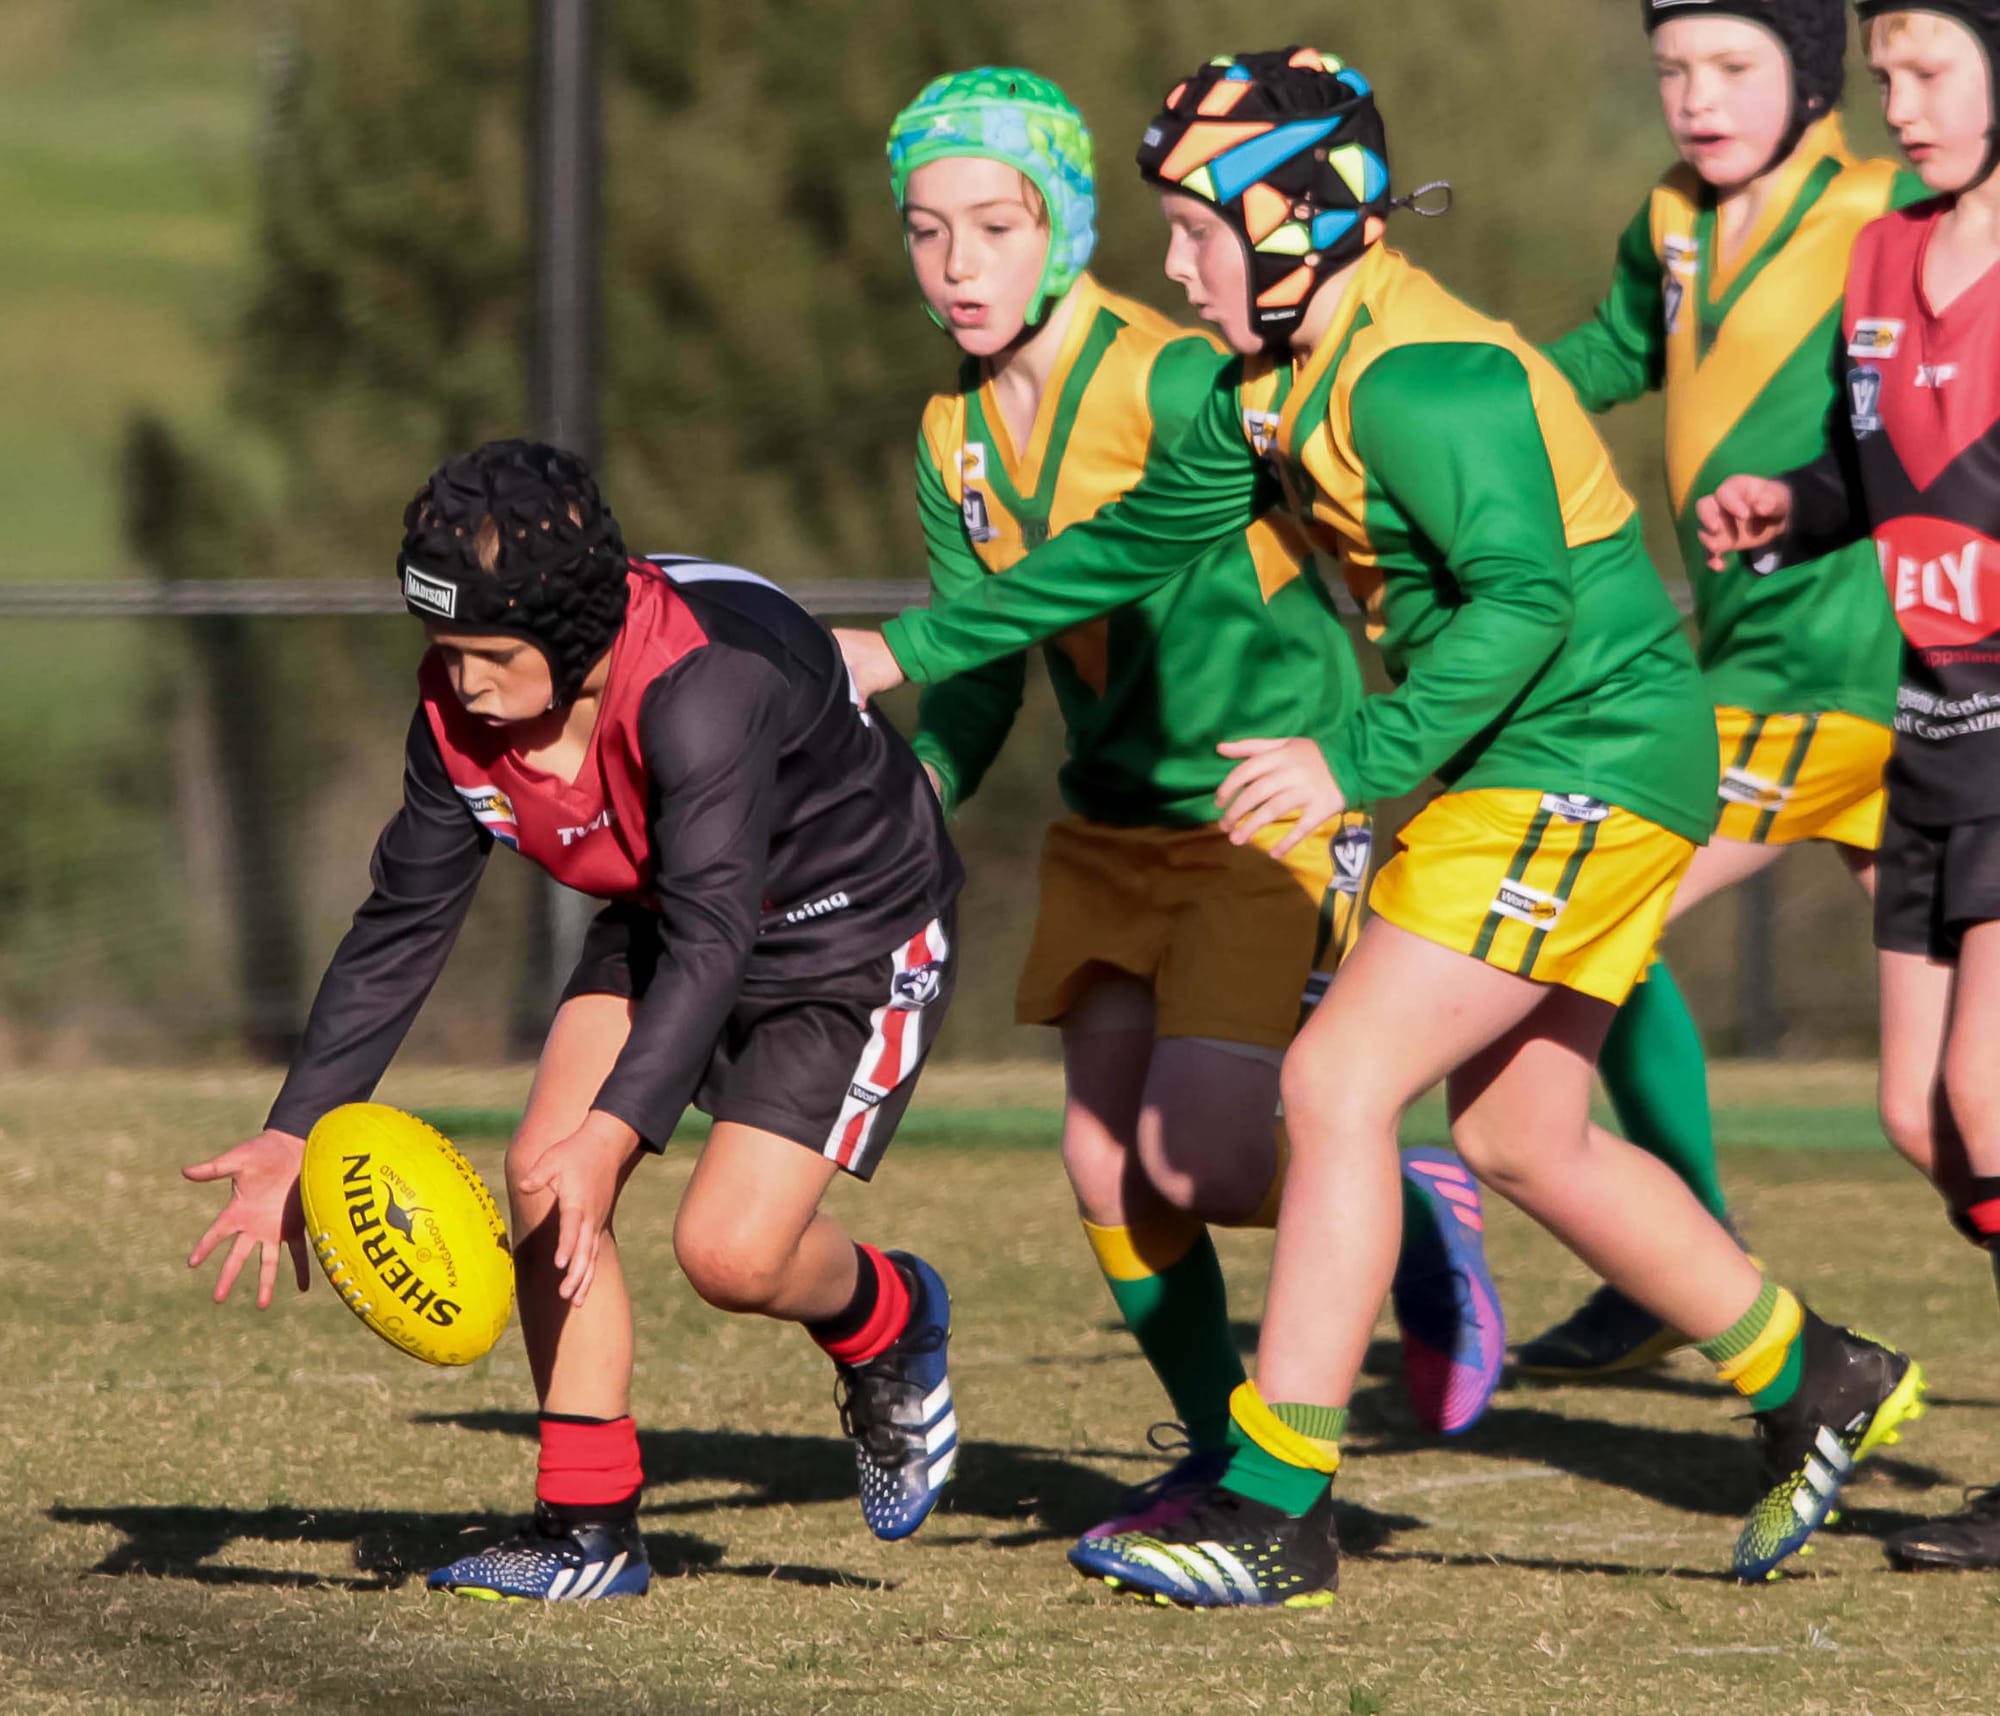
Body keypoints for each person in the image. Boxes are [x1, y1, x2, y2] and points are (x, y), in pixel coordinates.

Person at [841, 48, 1927, 1601]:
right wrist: (913, 648)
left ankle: (1277, 1504)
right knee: (1515, 1135)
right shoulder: (1272, 379)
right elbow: (1134, 537)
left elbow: (1528, 607)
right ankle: (1813, 1373)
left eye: (1197, 226)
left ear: (1293, 217)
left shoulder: (1427, 374)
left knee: (1341, 1081)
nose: (1172, 259)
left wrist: (1351, 754)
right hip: (1525, 758)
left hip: (1594, 751)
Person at [879, 68, 1506, 1547]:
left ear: (1067, 226)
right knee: (1105, 1162)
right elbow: (979, 666)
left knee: (1211, 1160)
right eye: (924, 230)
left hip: (1261, 813)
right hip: (1106, 828)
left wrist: (1381, 718)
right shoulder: (949, 435)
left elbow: (1356, 510)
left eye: (994, 223)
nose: (959, 264)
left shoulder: (1177, 377)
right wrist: (919, 791)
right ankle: (1224, 1449)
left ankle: (1417, 1210)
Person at [183, 440, 965, 1600]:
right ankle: (584, 1530)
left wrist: (615, 1137)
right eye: (444, 652)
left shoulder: (703, 688)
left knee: (729, 1254)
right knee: (545, 1178)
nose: (465, 683)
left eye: (492, 655)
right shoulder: (458, 722)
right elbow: (403, 921)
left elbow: (719, 937)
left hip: (844, 932)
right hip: (678, 901)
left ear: (580, 628)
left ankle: (889, 1319)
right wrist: (299, 1124)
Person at [1524, 0, 1924, 1381]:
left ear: (1817, 77)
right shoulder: (1676, 217)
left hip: (1850, 665)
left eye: (1733, 66)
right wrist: (1470, 381)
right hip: (1759, 664)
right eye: (1672, 69)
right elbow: (1619, 350)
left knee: (1587, 895)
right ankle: (1671, 1243)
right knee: (1948, 1113)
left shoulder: (1890, 202)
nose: (1695, 95)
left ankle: (1673, 1245)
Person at [1698, 0, 2000, 1575]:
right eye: (1885, 76)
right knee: (1918, 1114)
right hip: (1932, 730)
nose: (1900, 102)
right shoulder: (1885, 254)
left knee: (1985, 1096)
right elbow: (1862, 461)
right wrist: (1788, 505)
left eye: (1932, 71)